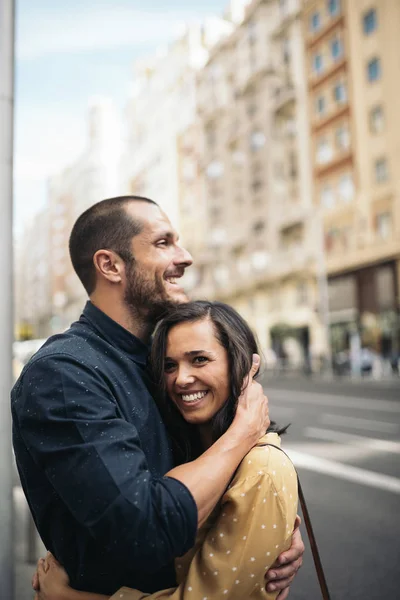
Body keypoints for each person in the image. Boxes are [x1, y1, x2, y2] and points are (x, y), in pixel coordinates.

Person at [12, 196, 303, 599]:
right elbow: (144, 530)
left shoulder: (157, 360)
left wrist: (261, 532)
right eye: (164, 243)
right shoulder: (64, 373)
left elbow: (218, 484)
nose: (185, 257)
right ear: (110, 265)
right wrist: (242, 435)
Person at [34, 301, 299, 600]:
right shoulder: (186, 451)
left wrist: (71, 598)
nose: (181, 379)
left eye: (199, 359)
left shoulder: (261, 468)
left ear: (239, 363)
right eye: (169, 365)